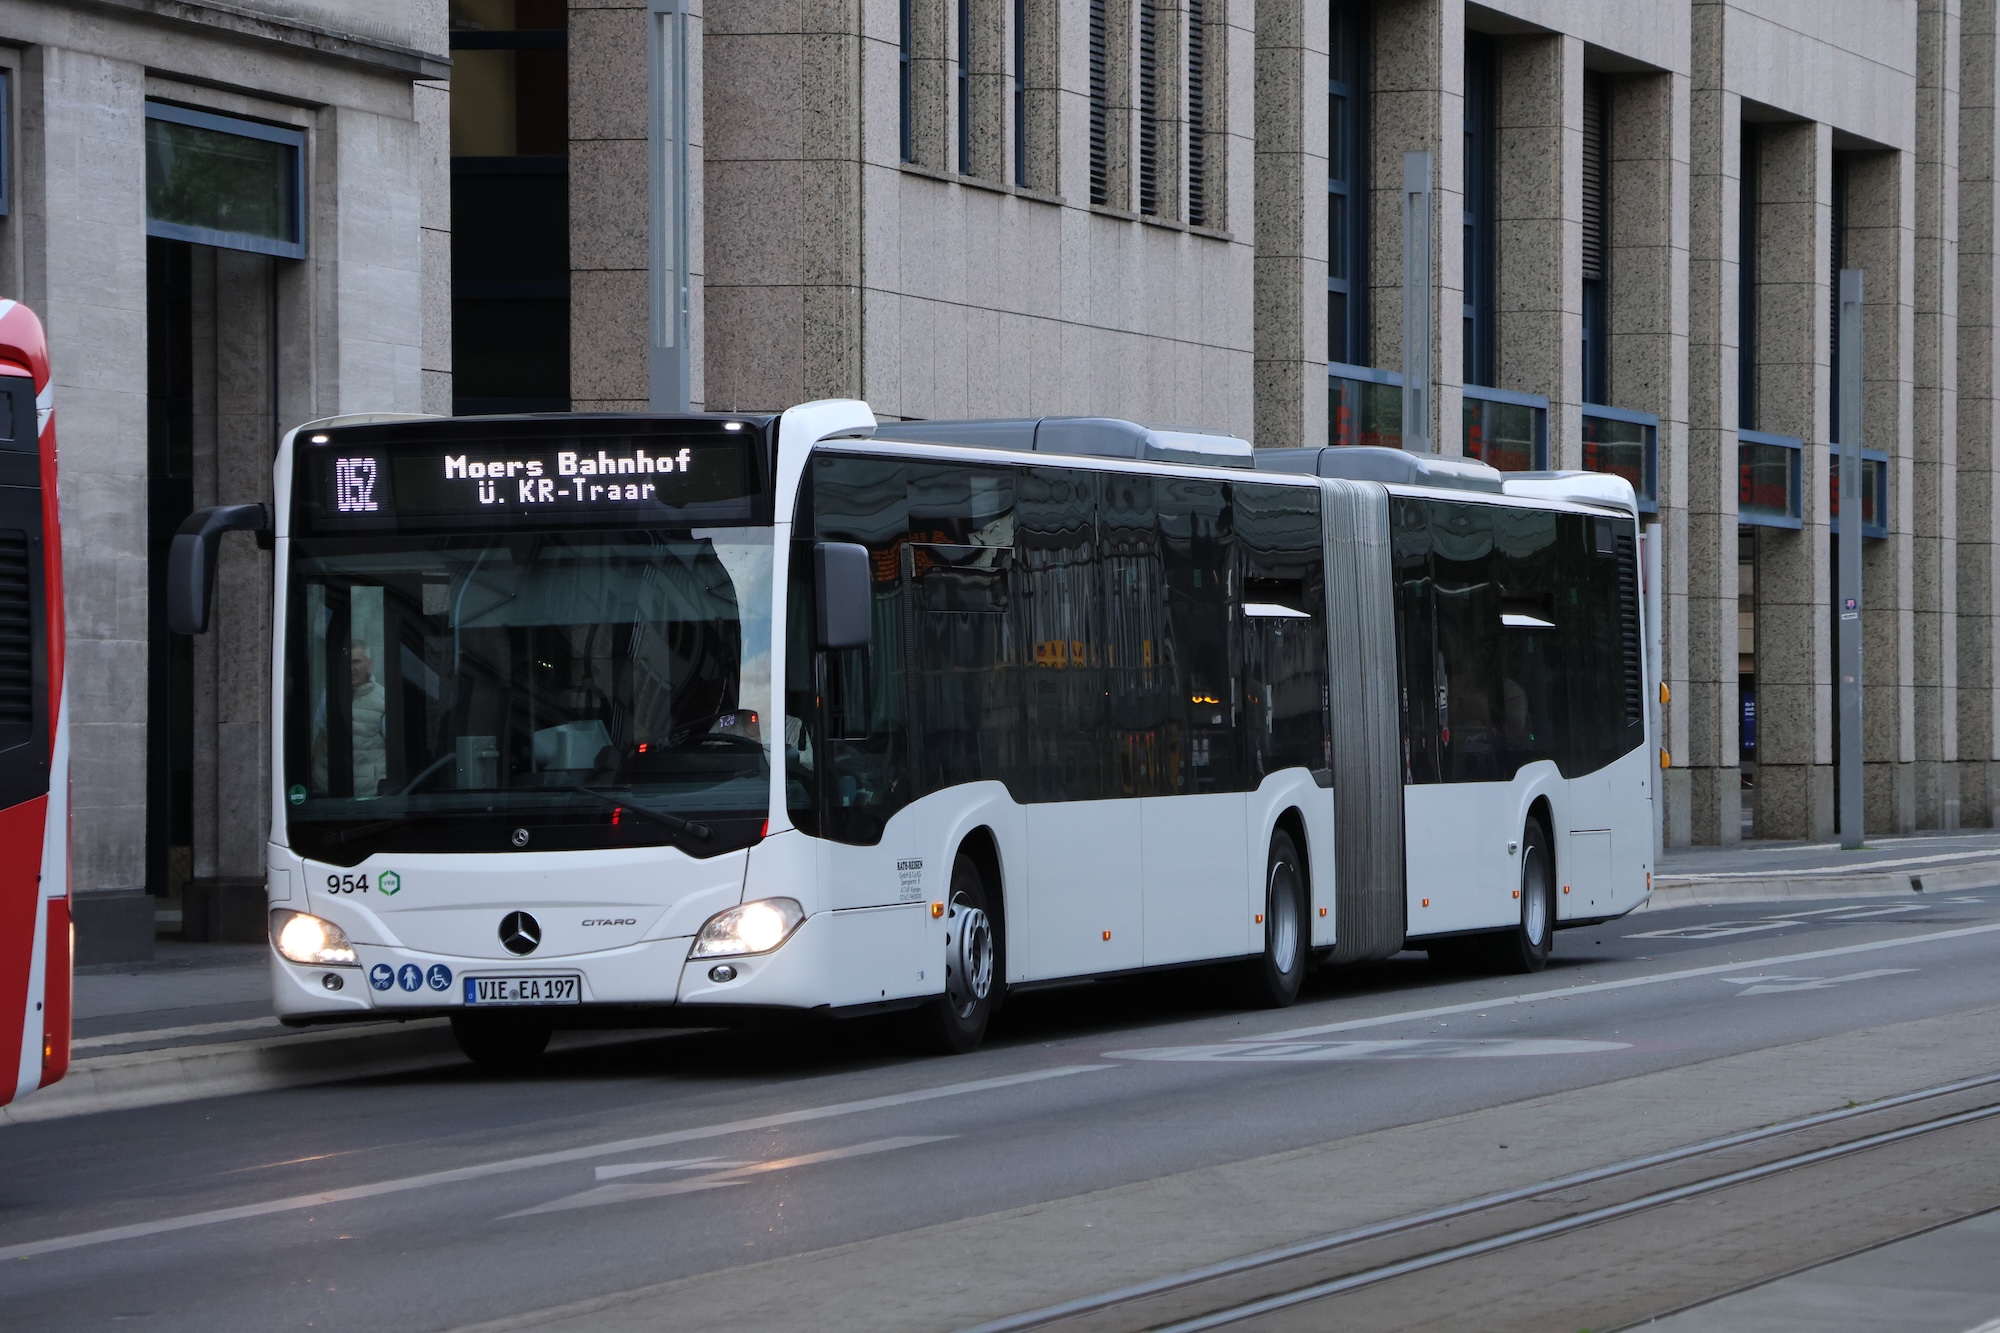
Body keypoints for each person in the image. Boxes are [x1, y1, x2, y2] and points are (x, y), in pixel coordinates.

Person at [351, 642, 388, 798]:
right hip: (332, 792)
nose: (351, 668)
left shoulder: (384, 699)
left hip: (370, 793)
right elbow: (320, 740)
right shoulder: (329, 694)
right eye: (347, 662)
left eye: (356, 662)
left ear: (369, 663)